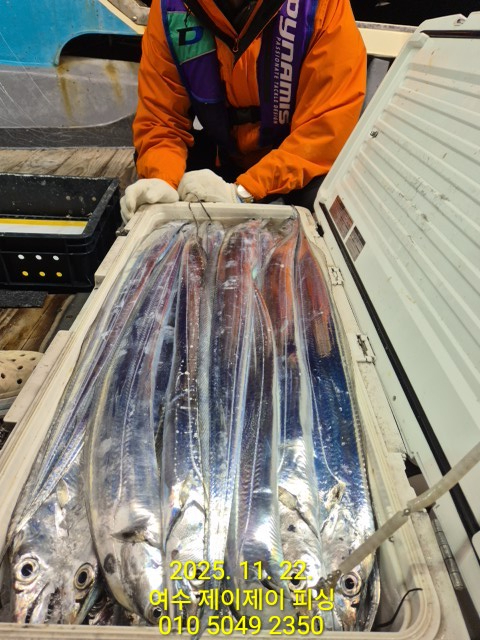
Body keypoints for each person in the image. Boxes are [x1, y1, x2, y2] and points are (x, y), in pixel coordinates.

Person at [121, 0, 366, 220]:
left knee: (327, 203)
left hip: (293, 166)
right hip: (223, 156)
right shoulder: (169, 8)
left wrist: (243, 192)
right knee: (156, 188)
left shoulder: (323, 6)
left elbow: (325, 128)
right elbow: (161, 119)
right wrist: (162, 179)